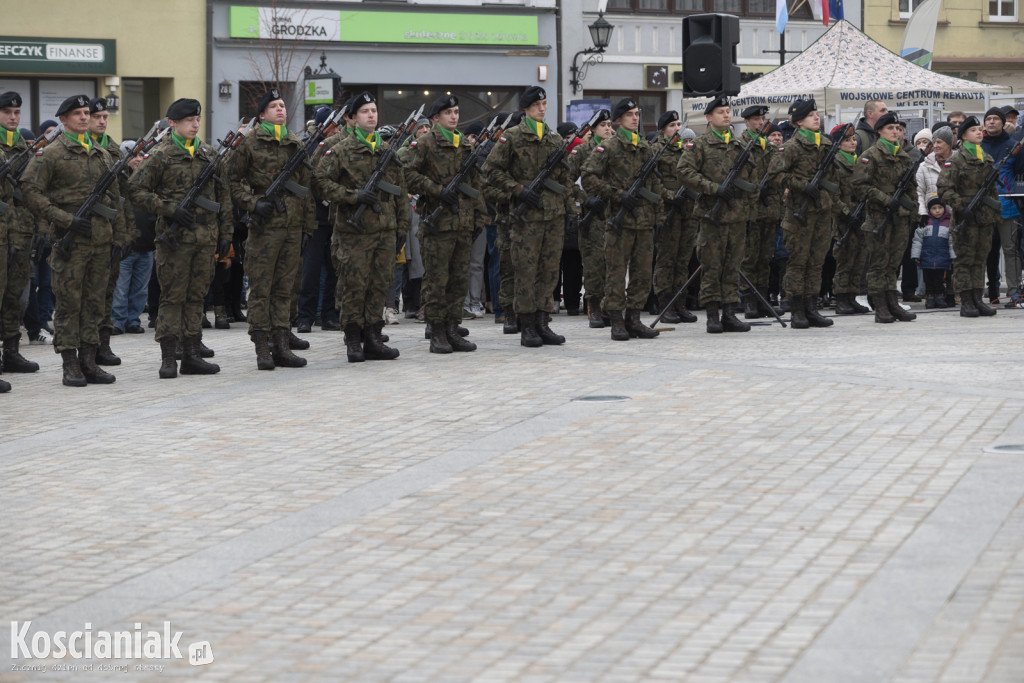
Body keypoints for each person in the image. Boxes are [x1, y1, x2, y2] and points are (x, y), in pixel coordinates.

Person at [21, 94, 125, 386]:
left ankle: (89, 361)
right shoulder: (51, 153)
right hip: (70, 242)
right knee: (69, 304)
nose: (83, 117)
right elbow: (30, 191)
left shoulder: (102, 153)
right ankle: (70, 365)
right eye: (77, 113)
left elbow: (116, 199)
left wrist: (122, 235)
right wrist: (64, 219)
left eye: (85, 112)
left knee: (94, 304)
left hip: (100, 241)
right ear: (63, 120)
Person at [131, 98, 232, 378]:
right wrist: (168, 209)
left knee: (196, 298)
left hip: (205, 239)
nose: (195, 124)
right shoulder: (161, 156)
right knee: (172, 298)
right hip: (174, 242)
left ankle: (191, 355)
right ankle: (168, 358)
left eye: (197, 120)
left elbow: (223, 197)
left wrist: (226, 234)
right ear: (173, 123)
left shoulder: (209, 156)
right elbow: (135, 190)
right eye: (189, 121)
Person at [225, 88, 315, 370]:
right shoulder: (249, 143)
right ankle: (262, 346)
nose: (280, 110)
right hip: (265, 227)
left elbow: (306, 189)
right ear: (262, 114)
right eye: (274, 106)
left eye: (282, 106)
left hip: (292, 226)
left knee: (285, 288)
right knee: (262, 289)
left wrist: (308, 227)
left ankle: (281, 344)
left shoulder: (294, 143)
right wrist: (253, 203)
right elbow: (230, 180)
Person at [313, 91, 405, 362]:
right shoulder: (340, 150)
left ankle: (374, 337)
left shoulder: (387, 151)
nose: (371, 115)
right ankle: (354, 340)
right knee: (354, 286)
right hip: (354, 232)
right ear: (352, 118)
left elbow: (400, 191)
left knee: (378, 285)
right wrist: (352, 196)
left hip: (385, 230)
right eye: (365, 111)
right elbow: (319, 182)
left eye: (374, 110)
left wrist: (402, 226)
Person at [484, 87, 575, 347]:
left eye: (544, 104)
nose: (542, 109)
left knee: (548, 272)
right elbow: (490, 171)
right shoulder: (511, 137)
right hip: (526, 219)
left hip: (553, 215)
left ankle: (543, 322)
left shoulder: (554, 139)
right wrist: (519, 190)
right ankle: (527, 326)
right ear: (525, 108)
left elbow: (565, 179)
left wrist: (570, 211)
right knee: (525, 271)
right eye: (537, 105)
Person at [403, 94, 484, 354]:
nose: (454, 116)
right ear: (436, 118)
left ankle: (452, 328)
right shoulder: (425, 143)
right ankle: (436, 331)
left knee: (458, 280)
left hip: (462, 223)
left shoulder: (464, 145)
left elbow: (475, 185)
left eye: (457, 112)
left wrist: (479, 217)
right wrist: (437, 190)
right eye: (448, 113)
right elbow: (409, 175)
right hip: (437, 224)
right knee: (437, 281)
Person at [580, 97, 663, 340]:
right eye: (630, 115)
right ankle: (616, 319)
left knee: (642, 273)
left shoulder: (646, 147)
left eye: (637, 114)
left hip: (644, 221)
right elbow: (588, 177)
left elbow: (655, 186)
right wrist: (617, 195)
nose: (635, 118)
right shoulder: (609, 146)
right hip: (619, 221)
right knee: (616, 273)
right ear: (618, 120)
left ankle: (634, 319)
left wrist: (659, 217)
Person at [678, 96, 759, 334]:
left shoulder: (739, 147)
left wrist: (744, 198)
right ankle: (713, 315)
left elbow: (753, 180)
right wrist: (714, 189)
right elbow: (683, 172)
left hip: (736, 216)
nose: (726, 115)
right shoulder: (700, 145)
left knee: (732, 267)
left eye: (728, 111)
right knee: (712, 266)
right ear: (709, 118)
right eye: (720, 112)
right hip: (712, 217)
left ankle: (730, 314)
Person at [768, 99, 841, 329]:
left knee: (816, 262)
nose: (816, 117)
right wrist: (801, 184)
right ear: (799, 121)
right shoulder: (791, 147)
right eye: (810, 115)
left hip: (822, 210)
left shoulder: (826, 144)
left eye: (817, 113)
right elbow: (774, 175)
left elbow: (834, 177)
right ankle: (797, 308)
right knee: (798, 263)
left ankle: (812, 307)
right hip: (800, 213)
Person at [851, 112, 919, 324]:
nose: (895, 132)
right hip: (879, 216)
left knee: (894, 263)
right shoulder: (870, 155)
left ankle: (892, 302)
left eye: (898, 128)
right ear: (879, 131)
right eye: (890, 128)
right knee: (879, 263)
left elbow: (911, 188)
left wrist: (912, 209)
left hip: (899, 216)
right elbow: (859, 186)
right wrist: (884, 198)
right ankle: (880, 304)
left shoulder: (904, 156)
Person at [87, 97, 139, 365]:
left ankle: (103, 345)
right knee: (88, 296)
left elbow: (124, 197)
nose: (102, 121)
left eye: (105, 117)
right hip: (86, 232)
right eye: (97, 117)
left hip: (112, 231)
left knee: (107, 291)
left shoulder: (116, 152)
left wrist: (126, 234)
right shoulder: (82, 149)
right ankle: (87, 347)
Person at [938, 115, 1002, 318]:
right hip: (966, 218)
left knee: (980, 259)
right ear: (964, 136)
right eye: (974, 130)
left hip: (984, 218)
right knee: (965, 260)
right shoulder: (956, 160)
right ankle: (966, 301)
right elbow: (944, 189)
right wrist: (960, 205)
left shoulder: (987, 158)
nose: (979, 133)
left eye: (979, 129)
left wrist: (994, 211)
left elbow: (991, 192)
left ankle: (977, 298)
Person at [0, 91, 41, 375]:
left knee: (17, 296)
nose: (13, 117)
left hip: (23, 233)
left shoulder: (25, 149)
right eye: (7, 113)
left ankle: (12, 352)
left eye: (16, 113)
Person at [651, 111, 698, 325]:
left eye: (679, 124)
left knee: (683, 259)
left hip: (687, 211)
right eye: (672, 125)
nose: (677, 128)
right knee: (666, 260)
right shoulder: (656, 150)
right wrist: (669, 196)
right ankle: (665, 303)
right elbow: (651, 181)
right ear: (663, 129)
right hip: (667, 212)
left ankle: (680, 302)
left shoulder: (686, 150)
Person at [297, 106, 340, 334]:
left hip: (333, 218)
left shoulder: (339, 147)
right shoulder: (310, 147)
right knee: (311, 271)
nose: (336, 130)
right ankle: (305, 316)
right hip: (315, 218)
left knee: (334, 271)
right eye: (332, 125)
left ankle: (329, 315)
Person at [570, 108, 613, 329]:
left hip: (612, 212)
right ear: (593, 128)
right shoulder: (582, 150)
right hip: (592, 215)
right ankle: (594, 307)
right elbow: (567, 181)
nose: (608, 129)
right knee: (594, 264)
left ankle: (609, 306)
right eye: (603, 125)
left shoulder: (615, 148)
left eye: (609, 125)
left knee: (612, 262)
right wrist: (585, 200)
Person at [738, 105, 780, 319]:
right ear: (746, 122)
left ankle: (763, 299)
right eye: (756, 119)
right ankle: (749, 301)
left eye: (762, 118)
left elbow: (779, 173)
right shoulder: (741, 145)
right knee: (750, 257)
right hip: (750, 210)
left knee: (765, 257)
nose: (760, 122)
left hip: (769, 209)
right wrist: (755, 188)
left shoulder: (769, 147)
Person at [979, 105, 1024, 306]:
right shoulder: (977, 145)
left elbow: (1019, 173)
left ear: (1002, 122)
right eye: (988, 118)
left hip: (1008, 205)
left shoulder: (1014, 145)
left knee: (1011, 251)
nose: (991, 121)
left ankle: (1015, 294)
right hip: (983, 207)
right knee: (983, 252)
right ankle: (981, 294)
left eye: (995, 119)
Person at [111, 141, 153, 336]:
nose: (138, 159)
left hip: (146, 246)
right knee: (121, 288)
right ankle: (117, 322)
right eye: (133, 156)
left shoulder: (147, 180)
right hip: (127, 247)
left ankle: (133, 321)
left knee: (140, 290)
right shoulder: (118, 182)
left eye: (140, 155)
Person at [831, 123, 870, 316]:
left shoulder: (859, 162)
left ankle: (852, 296)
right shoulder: (835, 163)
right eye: (847, 140)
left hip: (860, 218)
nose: (852, 142)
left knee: (859, 258)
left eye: (854, 139)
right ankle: (841, 298)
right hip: (843, 219)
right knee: (845, 260)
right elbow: (833, 195)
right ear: (838, 144)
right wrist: (847, 213)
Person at [912, 196, 955, 308]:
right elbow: (917, 241)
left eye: (940, 208)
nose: (937, 210)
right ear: (929, 210)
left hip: (942, 258)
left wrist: (953, 256)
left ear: (944, 209)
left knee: (939, 279)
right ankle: (930, 297)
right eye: (934, 208)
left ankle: (940, 297)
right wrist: (916, 255)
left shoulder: (948, 223)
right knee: (928, 279)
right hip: (927, 257)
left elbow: (951, 242)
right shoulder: (925, 223)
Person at [917, 126, 955, 216]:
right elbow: (919, 193)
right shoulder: (924, 166)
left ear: (948, 144)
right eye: (934, 142)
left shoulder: (960, 164)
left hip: (955, 218)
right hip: (932, 219)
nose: (935, 146)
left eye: (939, 142)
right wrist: (923, 214)